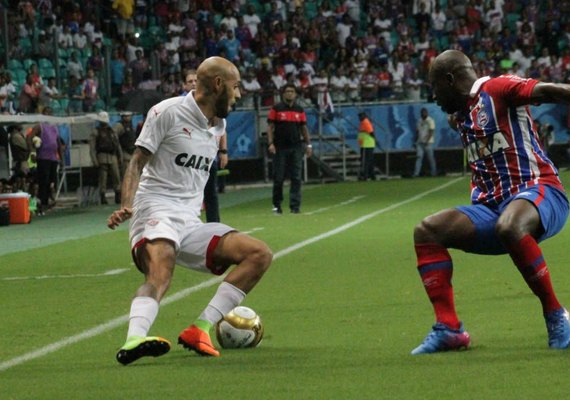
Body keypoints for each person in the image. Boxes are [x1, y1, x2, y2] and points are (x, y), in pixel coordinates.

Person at [107, 56, 272, 365]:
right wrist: (126, 203)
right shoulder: (167, 112)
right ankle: (134, 338)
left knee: (259, 254)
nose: (238, 96)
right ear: (218, 84)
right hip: (154, 209)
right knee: (161, 267)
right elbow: (136, 161)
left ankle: (200, 328)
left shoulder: (217, 124)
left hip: (189, 220)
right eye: (236, 88)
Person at [411, 49, 570, 355]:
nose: (433, 97)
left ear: (450, 79)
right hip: (491, 208)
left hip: (540, 191)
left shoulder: (497, 88)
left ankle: (557, 315)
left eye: (434, 88)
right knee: (427, 232)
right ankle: (449, 329)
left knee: (510, 225)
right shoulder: (461, 113)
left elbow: (550, 90)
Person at [183, 68, 229, 222]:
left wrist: (223, 151)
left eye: (196, 81)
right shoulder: (180, 105)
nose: (193, 84)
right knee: (188, 193)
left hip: (208, 158)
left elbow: (221, 127)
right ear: (184, 86)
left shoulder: (211, 102)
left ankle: (214, 225)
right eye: (190, 81)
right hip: (187, 159)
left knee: (211, 194)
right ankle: (186, 223)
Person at [267, 83, 312, 214]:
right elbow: (270, 127)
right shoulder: (276, 108)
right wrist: (270, 143)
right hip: (280, 147)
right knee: (279, 178)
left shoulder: (300, 110)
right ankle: (277, 206)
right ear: (283, 94)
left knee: (296, 177)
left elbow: (304, 128)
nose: (289, 93)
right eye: (287, 91)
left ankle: (295, 206)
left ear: (295, 94)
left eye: (292, 91)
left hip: (296, 147)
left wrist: (308, 144)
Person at [26, 107, 64, 213]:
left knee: (52, 182)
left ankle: (46, 202)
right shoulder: (39, 126)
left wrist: (60, 158)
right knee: (44, 181)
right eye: (47, 113)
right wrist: (32, 151)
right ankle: (42, 202)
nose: (49, 115)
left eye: (50, 113)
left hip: (53, 158)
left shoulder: (54, 127)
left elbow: (58, 143)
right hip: (43, 158)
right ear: (43, 115)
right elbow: (29, 137)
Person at [89, 114, 122, 205]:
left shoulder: (112, 131)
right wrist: (94, 159)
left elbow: (117, 144)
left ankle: (118, 194)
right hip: (102, 155)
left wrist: (120, 156)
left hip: (112, 155)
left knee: (116, 177)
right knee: (103, 178)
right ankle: (103, 195)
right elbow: (92, 148)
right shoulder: (96, 131)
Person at [413, 107, 437, 177]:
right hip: (420, 142)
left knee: (431, 158)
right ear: (421, 114)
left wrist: (427, 140)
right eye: (423, 113)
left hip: (428, 143)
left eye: (425, 112)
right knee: (419, 157)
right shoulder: (419, 121)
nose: (424, 114)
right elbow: (417, 132)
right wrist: (415, 141)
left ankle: (433, 172)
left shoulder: (430, 120)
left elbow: (431, 131)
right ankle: (416, 173)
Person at [113, 111, 136, 178]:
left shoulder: (131, 125)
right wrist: (118, 149)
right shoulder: (119, 125)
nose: (129, 117)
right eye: (126, 116)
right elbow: (113, 137)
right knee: (126, 175)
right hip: (124, 153)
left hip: (132, 153)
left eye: (129, 116)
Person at [357, 112, 376, 181]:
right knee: (369, 160)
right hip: (366, 144)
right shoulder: (363, 122)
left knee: (365, 161)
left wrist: (374, 139)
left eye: (360, 116)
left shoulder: (365, 122)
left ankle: (365, 175)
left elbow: (371, 132)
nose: (359, 118)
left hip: (366, 144)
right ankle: (372, 175)